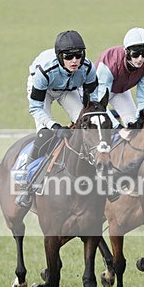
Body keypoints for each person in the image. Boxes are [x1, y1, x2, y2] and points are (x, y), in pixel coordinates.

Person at [18, 30, 99, 207]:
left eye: (78, 56)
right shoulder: (45, 71)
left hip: (67, 89)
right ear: (59, 57)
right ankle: (27, 184)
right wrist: (54, 126)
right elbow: (36, 107)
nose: (75, 61)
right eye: (69, 57)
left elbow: (94, 99)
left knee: (89, 125)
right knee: (44, 134)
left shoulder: (87, 68)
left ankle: (98, 175)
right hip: (43, 89)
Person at [94, 27, 144, 127]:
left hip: (120, 92)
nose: (140, 59)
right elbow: (100, 104)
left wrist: (140, 123)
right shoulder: (109, 64)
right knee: (110, 129)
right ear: (126, 52)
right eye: (135, 54)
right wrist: (117, 127)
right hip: (96, 94)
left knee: (134, 125)